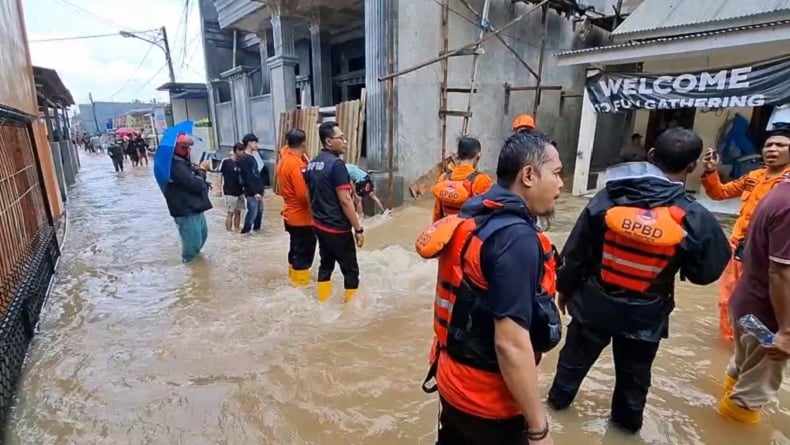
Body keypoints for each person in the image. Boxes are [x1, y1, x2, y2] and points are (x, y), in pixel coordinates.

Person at [546, 127, 731, 433]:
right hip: (647, 315)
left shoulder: (608, 197)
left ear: (651, 156)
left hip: (594, 304)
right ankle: (625, 432)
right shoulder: (692, 215)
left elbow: (576, 251)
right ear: (691, 167)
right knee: (634, 384)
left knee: (570, 368)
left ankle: (556, 416)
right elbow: (708, 270)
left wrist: (564, 290)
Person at [414, 131, 563, 445]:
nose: (561, 185)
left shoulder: (476, 213)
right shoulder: (517, 240)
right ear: (528, 176)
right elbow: (510, 345)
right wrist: (539, 429)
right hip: (487, 405)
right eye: (557, 173)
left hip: (451, 380)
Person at [700, 126, 790, 342]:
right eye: (769, 145)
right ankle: (730, 348)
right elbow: (719, 193)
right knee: (727, 300)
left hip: (770, 255)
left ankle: (760, 347)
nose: (773, 149)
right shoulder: (754, 177)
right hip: (739, 248)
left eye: (780, 145)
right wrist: (711, 171)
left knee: (762, 305)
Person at [718, 175, 790, 423]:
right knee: (752, 393)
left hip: (748, 305)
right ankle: (728, 432)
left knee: (743, 366)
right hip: (769, 316)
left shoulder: (778, 191)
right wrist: (787, 332)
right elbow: (781, 272)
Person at [304, 121, 364, 303]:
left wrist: (315, 217)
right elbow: (345, 200)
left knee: (326, 265)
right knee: (351, 270)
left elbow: (308, 195)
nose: (345, 141)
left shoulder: (313, 163)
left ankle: (323, 303)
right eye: (341, 138)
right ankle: (351, 312)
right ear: (329, 141)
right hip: (337, 228)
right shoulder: (336, 165)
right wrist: (358, 229)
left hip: (320, 226)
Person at [276, 129, 316, 287]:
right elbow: (302, 195)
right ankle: (300, 287)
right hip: (302, 218)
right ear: (304, 144)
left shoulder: (285, 157)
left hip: (290, 215)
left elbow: (286, 149)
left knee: (295, 250)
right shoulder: (296, 165)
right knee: (304, 254)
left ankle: (292, 281)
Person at [162, 134, 212, 262]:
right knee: (192, 245)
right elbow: (193, 183)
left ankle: (196, 267)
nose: (189, 150)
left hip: (195, 207)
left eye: (189, 148)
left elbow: (195, 178)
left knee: (201, 237)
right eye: (185, 148)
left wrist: (199, 173)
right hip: (185, 210)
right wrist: (202, 170)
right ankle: (191, 272)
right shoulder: (174, 165)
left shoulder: (183, 162)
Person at [431, 136, 493, 222]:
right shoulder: (482, 181)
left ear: (458, 155)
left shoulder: (444, 178)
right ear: (478, 155)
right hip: (469, 233)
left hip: (447, 231)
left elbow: (437, 213)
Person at [238, 133, 265, 234]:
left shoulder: (252, 157)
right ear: (249, 143)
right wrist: (255, 192)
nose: (257, 144)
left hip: (258, 191)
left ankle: (256, 233)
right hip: (252, 192)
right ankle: (245, 233)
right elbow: (247, 177)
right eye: (255, 142)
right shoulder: (244, 159)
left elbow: (256, 175)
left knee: (259, 212)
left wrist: (261, 190)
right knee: (252, 213)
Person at [218, 143, 246, 232]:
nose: (242, 152)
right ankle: (229, 232)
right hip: (229, 192)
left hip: (240, 191)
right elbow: (220, 175)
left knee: (238, 212)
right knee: (230, 212)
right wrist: (218, 189)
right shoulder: (226, 162)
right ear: (236, 151)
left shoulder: (241, 163)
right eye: (240, 150)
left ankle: (237, 230)